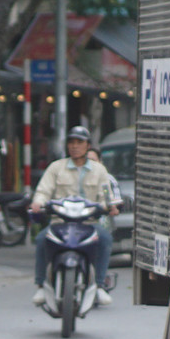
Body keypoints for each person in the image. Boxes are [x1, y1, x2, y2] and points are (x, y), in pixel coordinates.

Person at [29, 126, 120, 306]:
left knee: (105, 239)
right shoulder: (56, 168)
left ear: (88, 146)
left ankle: (100, 286)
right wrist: (38, 203)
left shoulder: (99, 170)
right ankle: (41, 285)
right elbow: (43, 190)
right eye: (71, 142)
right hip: (59, 221)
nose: (75, 146)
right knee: (41, 239)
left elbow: (106, 194)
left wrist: (110, 206)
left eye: (79, 143)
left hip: (89, 222)